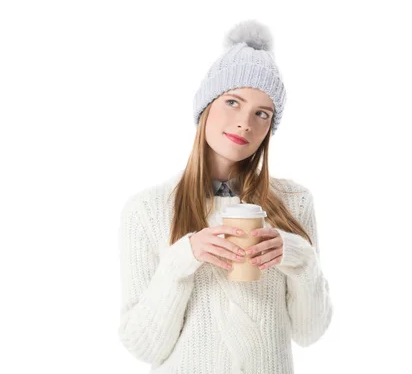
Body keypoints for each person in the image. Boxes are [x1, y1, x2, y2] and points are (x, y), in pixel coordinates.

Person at [117, 19, 333, 374]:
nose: (244, 122)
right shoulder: (147, 209)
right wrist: (183, 258)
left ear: (269, 128)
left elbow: (309, 333)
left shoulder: (295, 201)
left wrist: (299, 257)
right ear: (206, 107)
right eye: (233, 101)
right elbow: (144, 346)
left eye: (261, 113)